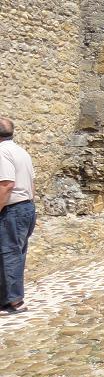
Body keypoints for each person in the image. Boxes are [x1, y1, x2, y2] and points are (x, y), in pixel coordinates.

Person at [0, 118, 36, 314]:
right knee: (16, 253)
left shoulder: (2, 152)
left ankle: (13, 302)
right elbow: (32, 183)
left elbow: (6, 184)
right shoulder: (21, 152)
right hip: (26, 207)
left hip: (12, 209)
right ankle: (10, 298)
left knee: (9, 254)